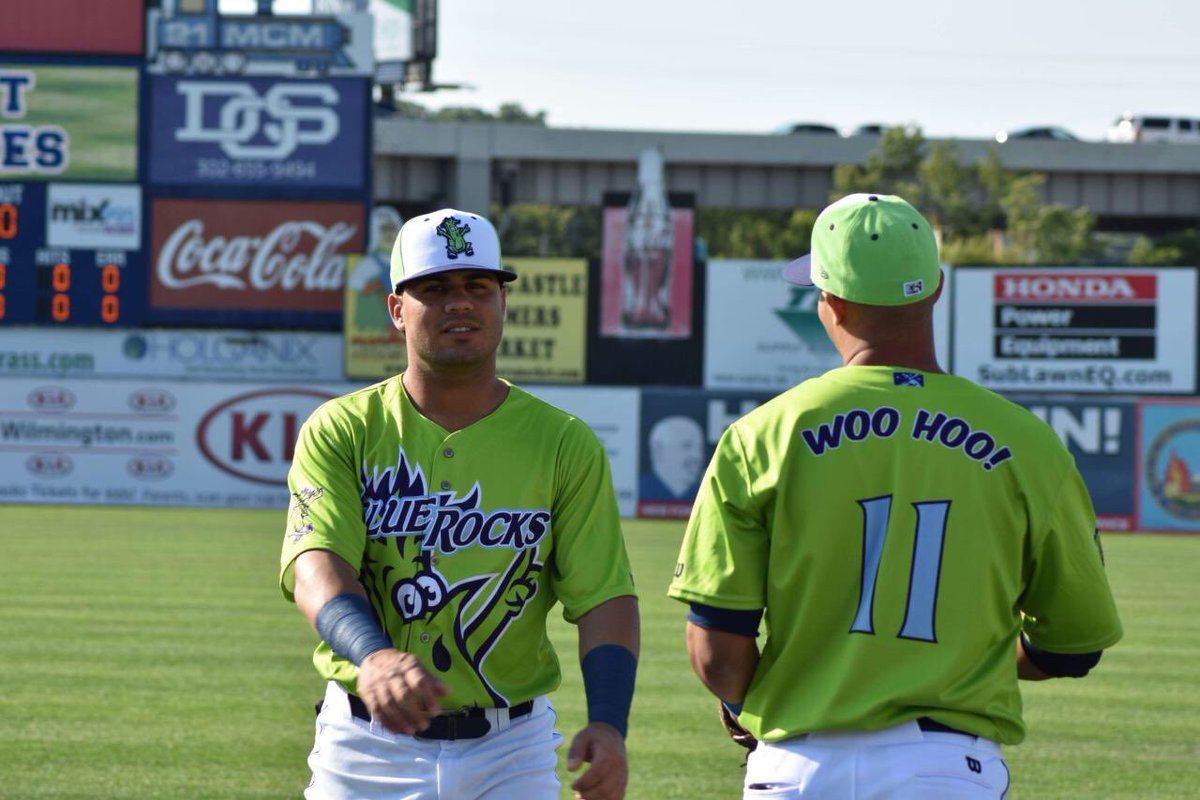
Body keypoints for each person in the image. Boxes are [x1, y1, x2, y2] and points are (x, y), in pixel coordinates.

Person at [668, 193, 1123, 799]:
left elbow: (717, 655)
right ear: (935, 290)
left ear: (826, 300)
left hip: (799, 769)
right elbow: (1074, 644)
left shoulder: (761, 436)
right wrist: (960, 663)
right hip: (946, 768)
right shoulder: (1030, 444)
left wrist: (746, 696)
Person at [281, 208, 640, 800]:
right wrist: (372, 657)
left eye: (478, 286)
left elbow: (604, 595)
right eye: (435, 288)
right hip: (367, 746)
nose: (460, 303)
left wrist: (609, 721)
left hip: (511, 748)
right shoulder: (343, 428)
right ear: (397, 309)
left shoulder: (562, 442)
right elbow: (316, 564)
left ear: (503, 303)